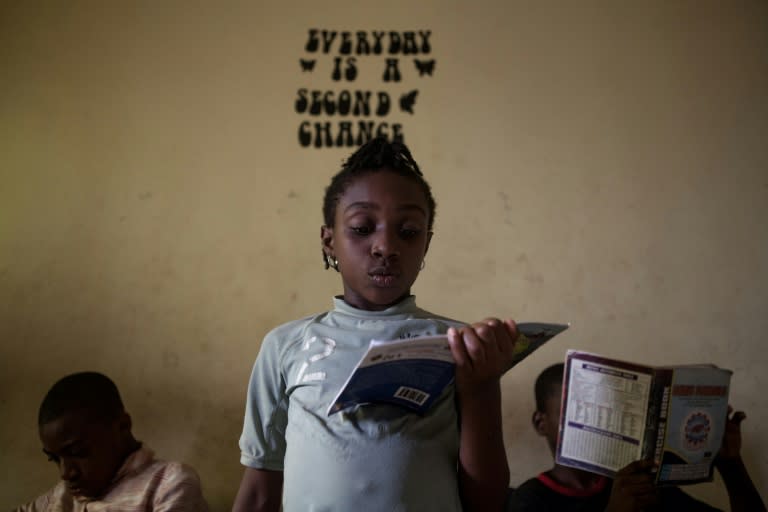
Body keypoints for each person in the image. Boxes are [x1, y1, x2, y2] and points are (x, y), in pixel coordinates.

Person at [233, 137, 519, 512]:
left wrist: (481, 387)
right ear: (329, 241)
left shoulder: (460, 346)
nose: (386, 246)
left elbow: (487, 502)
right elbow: (259, 489)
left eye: (408, 231)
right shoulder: (287, 345)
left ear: (426, 245)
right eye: (362, 227)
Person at [506, 363, 766, 512]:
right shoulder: (530, 500)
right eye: (577, 408)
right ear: (541, 423)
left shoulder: (634, 485)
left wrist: (731, 465)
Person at [14, 371, 209, 511]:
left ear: (123, 426)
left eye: (78, 452)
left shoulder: (168, 483)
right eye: (55, 459)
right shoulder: (63, 494)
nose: (66, 473)